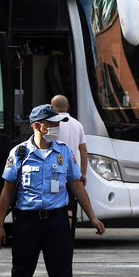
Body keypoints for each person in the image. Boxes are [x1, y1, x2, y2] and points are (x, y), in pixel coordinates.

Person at [0, 104, 105, 277]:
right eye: (51, 124)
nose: (56, 128)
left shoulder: (64, 152)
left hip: (57, 223)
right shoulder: (19, 153)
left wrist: (93, 217)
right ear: (37, 126)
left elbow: (77, 186)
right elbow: (7, 192)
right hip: (27, 223)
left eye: (57, 124)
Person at [51, 94, 88, 231]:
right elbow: (83, 151)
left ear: (52, 107)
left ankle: (58, 235)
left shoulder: (52, 124)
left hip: (54, 174)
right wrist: (83, 173)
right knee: (70, 208)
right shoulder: (77, 124)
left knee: (56, 207)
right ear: (67, 107)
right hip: (73, 175)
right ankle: (67, 235)